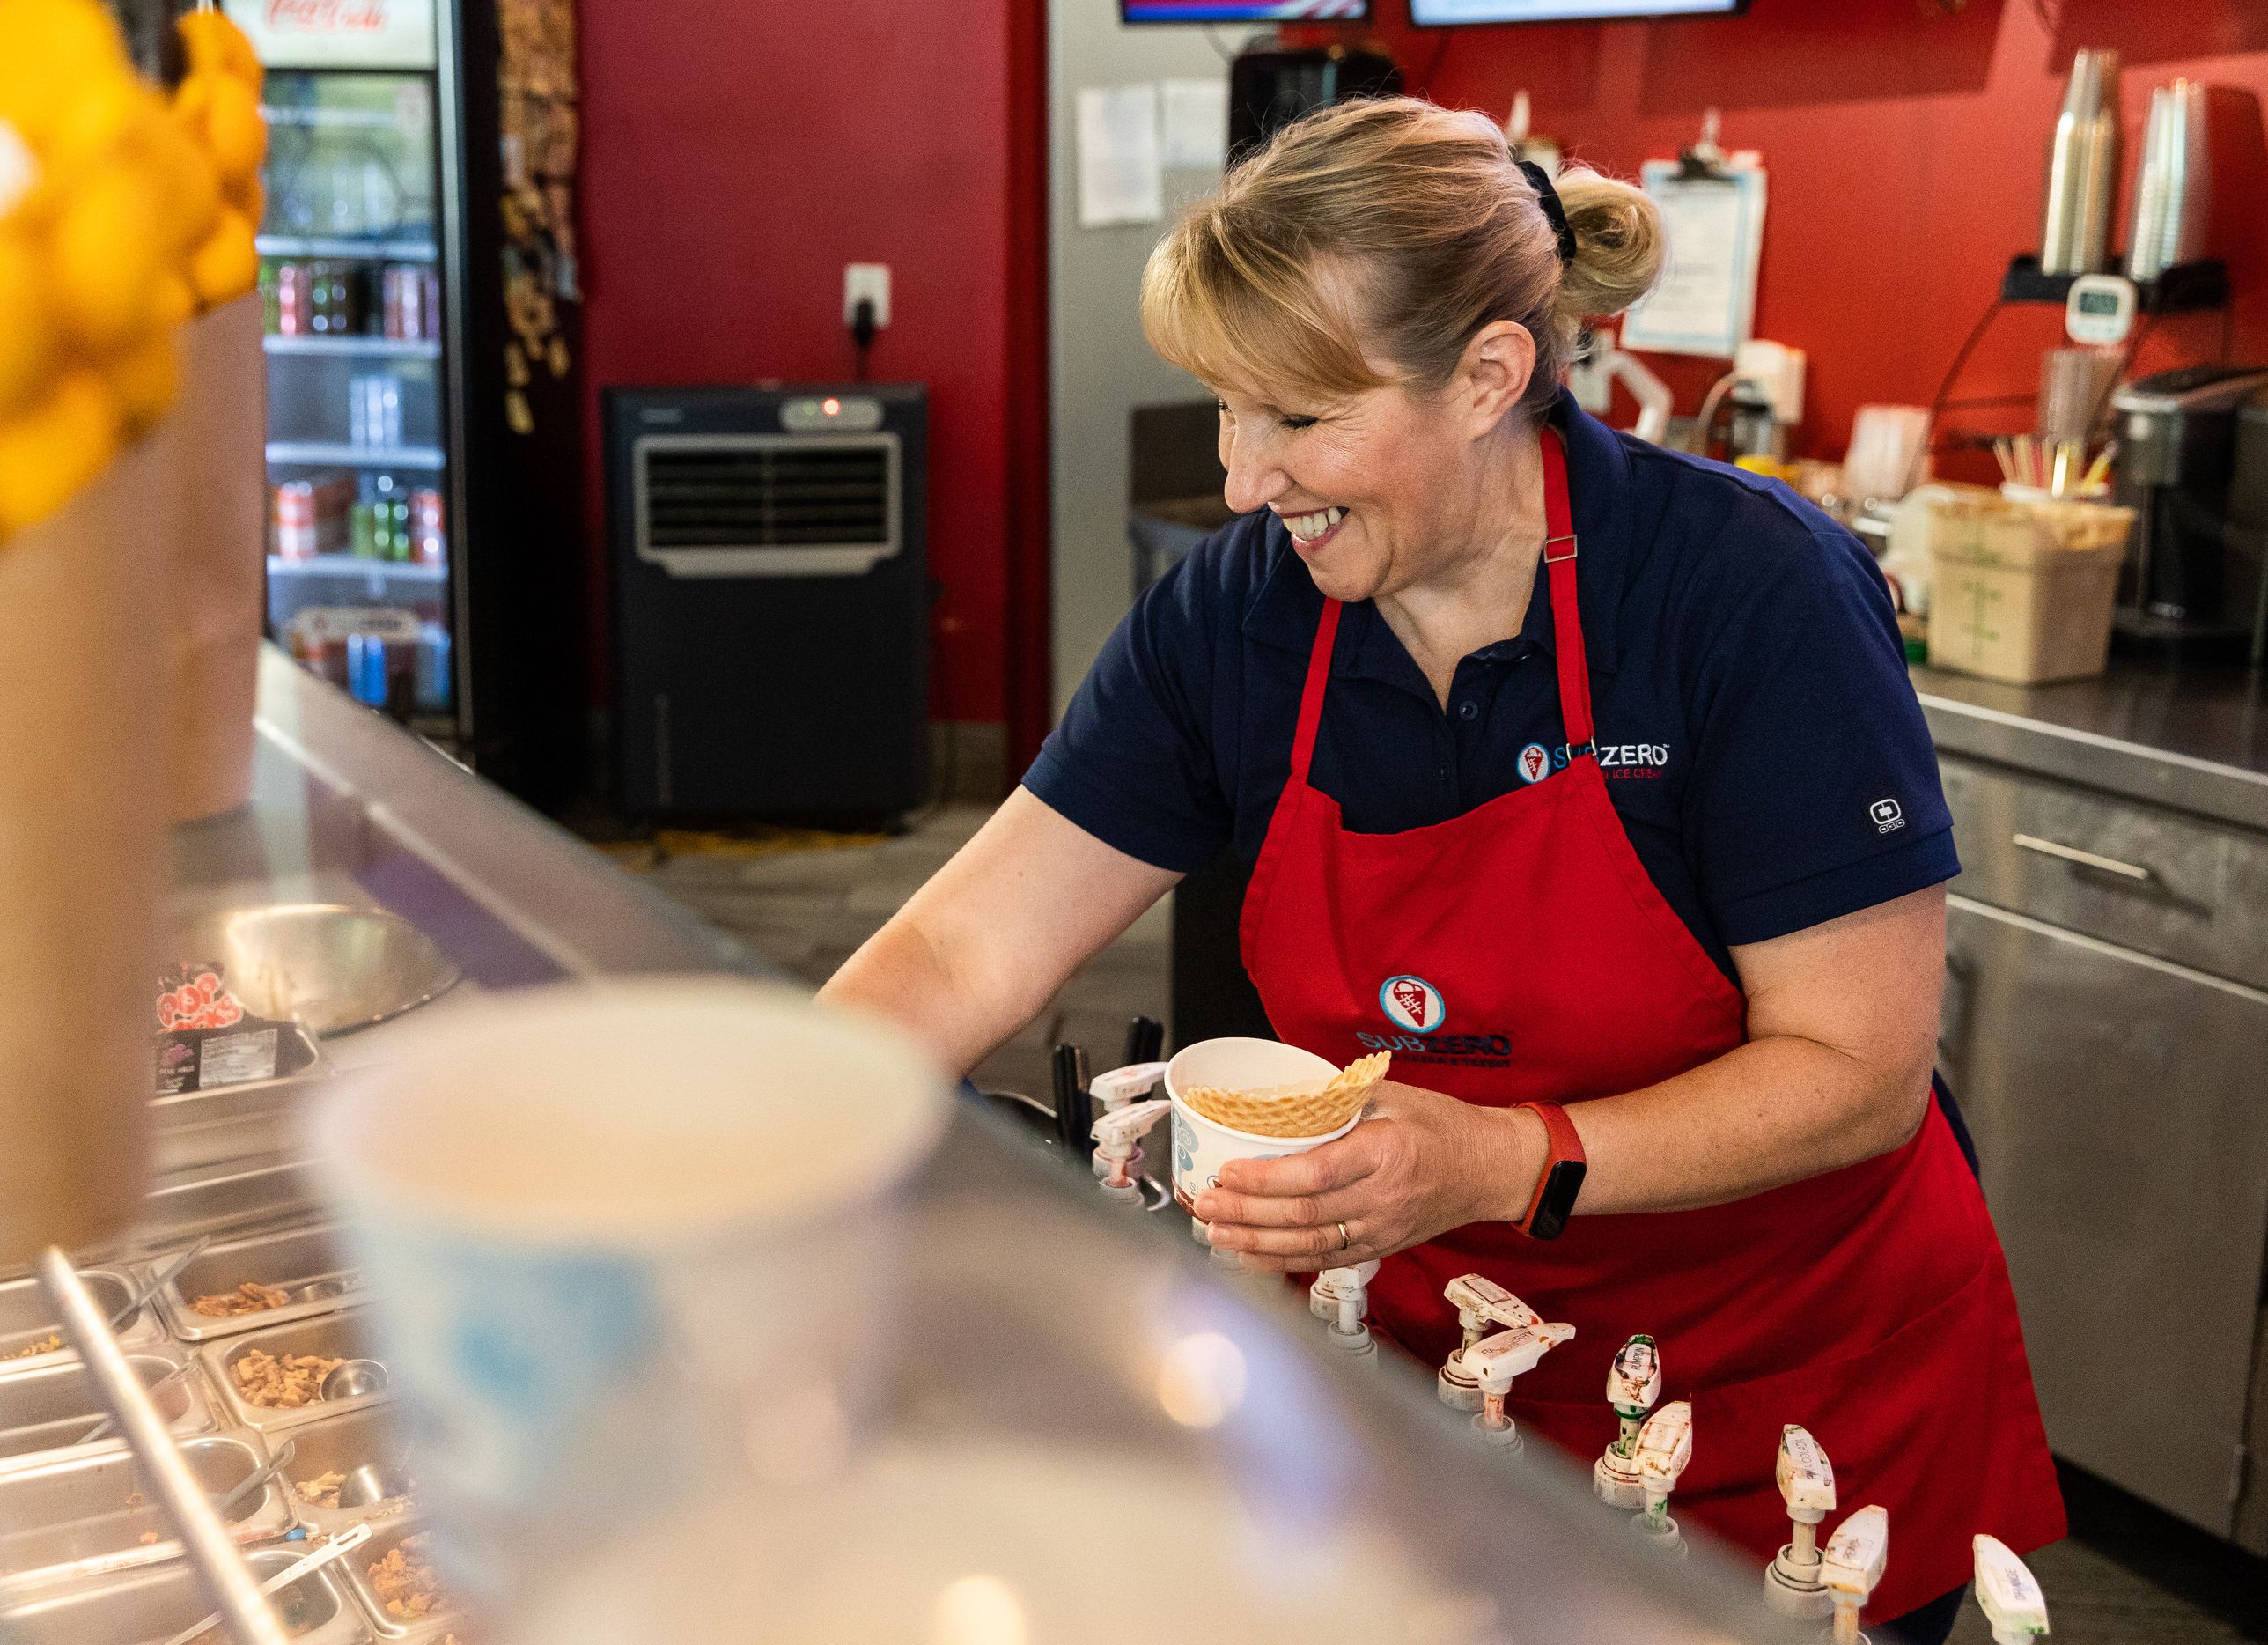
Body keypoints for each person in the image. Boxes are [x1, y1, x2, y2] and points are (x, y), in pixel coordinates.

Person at [825, 96, 2062, 1639]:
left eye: (1297, 417)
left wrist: (1492, 1158)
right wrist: (763, 1145)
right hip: (1433, 1380)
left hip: (1789, 1421)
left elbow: (1857, 1070)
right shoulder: (1236, 624)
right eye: (1224, 409)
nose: (1242, 480)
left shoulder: (1745, 598)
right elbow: (962, 952)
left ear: (1489, 377)